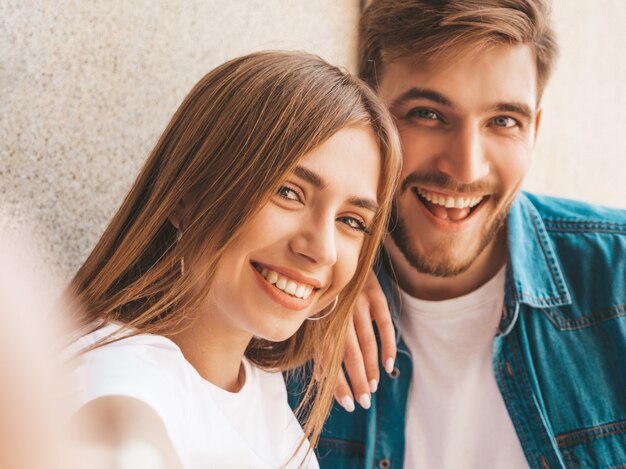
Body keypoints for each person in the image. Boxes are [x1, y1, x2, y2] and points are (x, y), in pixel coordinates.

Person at [290, 1, 626, 468]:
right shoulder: (294, 303)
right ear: (363, 114)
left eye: (504, 121)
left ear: (535, 130)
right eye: (427, 114)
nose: (466, 167)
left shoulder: (618, 275)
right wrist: (321, 281)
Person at [63, 51, 401, 468]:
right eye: (288, 192)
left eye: (351, 220)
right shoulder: (117, 376)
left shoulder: (262, 391)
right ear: (187, 194)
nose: (323, 249)